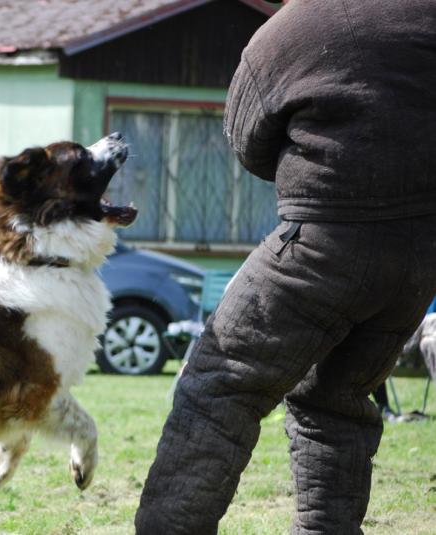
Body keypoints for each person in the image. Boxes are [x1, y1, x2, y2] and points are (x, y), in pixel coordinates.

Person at [135, 1, 436, 533]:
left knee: (218, 386)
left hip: (320, 241)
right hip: (418, 258)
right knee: (335, 401)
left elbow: (248, 144)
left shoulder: (290, 31)